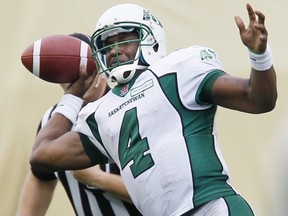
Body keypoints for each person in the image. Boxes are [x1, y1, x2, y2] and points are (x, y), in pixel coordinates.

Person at [29, 3, 277, 216]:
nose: (115, 50)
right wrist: (73, 95)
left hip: (210, 206)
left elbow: (258, 100)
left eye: (124, 39)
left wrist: (259, 56)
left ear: (150, 39)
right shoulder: (101, 112)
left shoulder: (177, 70)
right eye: (107, 44)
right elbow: (42, 155)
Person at [17, 33, 141, 216]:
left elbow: (162, 190)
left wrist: (98, 179)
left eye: (82, 71)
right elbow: (40, 178)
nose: (78, 81)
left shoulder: (128, 108)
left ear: (99, 67)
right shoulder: (52, 121)